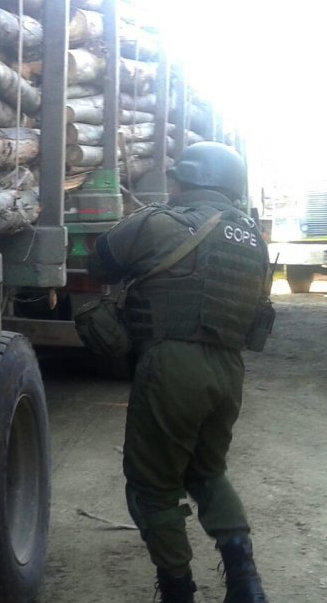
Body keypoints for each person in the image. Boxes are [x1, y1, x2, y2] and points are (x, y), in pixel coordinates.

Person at [86, 142, 271, 603]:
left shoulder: (157, 223)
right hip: (228, 370)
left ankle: (178, 590)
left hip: (171, 366)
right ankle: (246, 584)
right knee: (208, 472)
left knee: (152, 486)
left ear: (185, 180)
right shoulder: (252, 238)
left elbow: (100, 261)